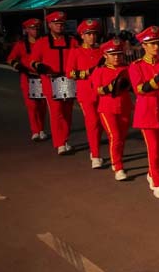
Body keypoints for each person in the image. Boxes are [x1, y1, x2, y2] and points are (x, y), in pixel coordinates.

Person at [129, 26, 159, 199]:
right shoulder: (136, 66)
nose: (156, 47)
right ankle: (157, 182)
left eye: (157, 43)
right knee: (153, 148)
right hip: (147, 111)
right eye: (152, 44)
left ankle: (151, 172)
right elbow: (139, 89)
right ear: (144, 46)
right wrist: (155, 82)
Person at [29, 11, 78, 154]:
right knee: (56, 112)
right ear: (50, 25)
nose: (59, 26)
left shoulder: (72, 41)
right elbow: (32, 61)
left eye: (61, 24)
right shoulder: (42, 42)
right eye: (56, 23)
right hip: (50, 81)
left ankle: (65, 139)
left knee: (67, 112)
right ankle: (60, 143)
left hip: (68, 80)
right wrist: (40, 66)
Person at [91, 40, 133, 181]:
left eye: (118, 54)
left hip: (125, 107)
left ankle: (117, 159)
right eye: (112, 54)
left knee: (120, 138)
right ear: (105, 55)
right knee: (115, 136)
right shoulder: (100, 70)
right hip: (107, 108)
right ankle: (118, 166)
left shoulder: (127, 69)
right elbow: (97, 90)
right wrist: (110, 87)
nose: (116, 57)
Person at [66, 19, 104, 168]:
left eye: (94, 34)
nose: (92, 37)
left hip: (101, 91)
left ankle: (95, 148)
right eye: (88, 34)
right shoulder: (76, 52)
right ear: (82, 36)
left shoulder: (101, 50)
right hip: (85, 92)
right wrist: (86, 73)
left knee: (100, 123)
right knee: (92, 122)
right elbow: (69, 73)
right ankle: (95, 155)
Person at [6, 18, 48, 141]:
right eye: (32, 28)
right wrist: (17, 65)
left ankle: (41, 129)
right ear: (27, 30)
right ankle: (35, 130)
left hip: (42, 77)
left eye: (37, 28)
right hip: (27, 77)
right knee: (32, 106)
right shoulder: (21, 44)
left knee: (42, 106)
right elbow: (10, 58)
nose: (35, 31)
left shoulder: (44, 42)